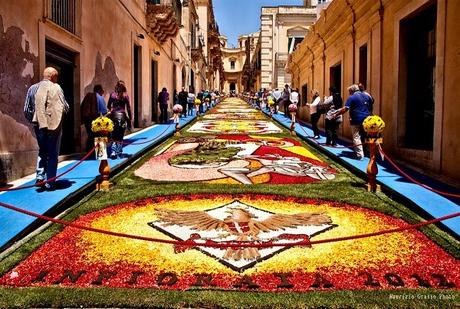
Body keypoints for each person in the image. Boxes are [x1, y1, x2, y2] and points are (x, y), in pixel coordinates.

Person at [24, 67, 69, 191]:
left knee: (42, 150)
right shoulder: (56, 88)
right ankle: (50, 183)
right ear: (53, 76)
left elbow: (26, 110)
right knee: (53, 153)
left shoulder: (32, 89)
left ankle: (40, 176)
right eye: (56, 76)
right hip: (53, 126)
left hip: (38, 125)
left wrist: (35, 122)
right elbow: (65, 106)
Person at [333, 84, 371, 160]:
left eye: (349, 91)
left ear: (352, 91)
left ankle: (360, 155)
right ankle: (365, 151)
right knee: (364, 136)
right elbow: (371, 104)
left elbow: (346, 108)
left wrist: (336, 114)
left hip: (356, 119)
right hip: (367, 119)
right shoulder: (367, 96)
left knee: (356, 137)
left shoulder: (352, 97)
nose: (349, 93)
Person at [107, 80, 132, 159]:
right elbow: (128, 108)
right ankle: (119, 151)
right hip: (122, 116)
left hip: (114, 116)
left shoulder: (112, 95)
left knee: (113, 134)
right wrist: (130, 117)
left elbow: (108, 105)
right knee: (120, 135)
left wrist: (111, 109)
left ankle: (113, 152)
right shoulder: (125, 95)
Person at [80, 84, 107, 154]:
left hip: (87, 121)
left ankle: (89, 153)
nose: (103, 93)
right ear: (99, 90)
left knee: (90, 136)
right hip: (96, 120)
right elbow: (104, 112)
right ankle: (100, 154)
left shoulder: (87, 96)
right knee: (100, 135)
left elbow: (82, 107)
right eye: (102, 91)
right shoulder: (100, 98)